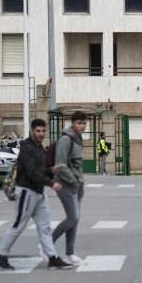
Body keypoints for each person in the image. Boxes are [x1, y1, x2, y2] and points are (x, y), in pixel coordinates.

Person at [0, 118, 73, 271]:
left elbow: (40, 172)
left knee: (44, 227)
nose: (41, 134)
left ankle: (52, 258)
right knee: (18, 225)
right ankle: (1, 256)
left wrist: (52, 170)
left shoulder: (39, 149)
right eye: (38, 131)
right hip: (26, 192)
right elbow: (32, 173)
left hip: (38, 193)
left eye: (43, 131)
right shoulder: (27, 148)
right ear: (32, 131)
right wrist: (52, 183)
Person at [52, 111, 86, 265]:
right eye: (79, 123)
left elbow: (76, 164)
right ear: (72, 123)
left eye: (84, 123)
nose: (82, 126)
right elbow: (60, 164)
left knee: (74, 220)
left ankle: (70, 253)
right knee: (73, 217)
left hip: (77, 184)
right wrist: (73, 181)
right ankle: (47, 244)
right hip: (65, 184)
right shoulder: (66, 139)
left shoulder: (78, 139)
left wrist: (79, 182)